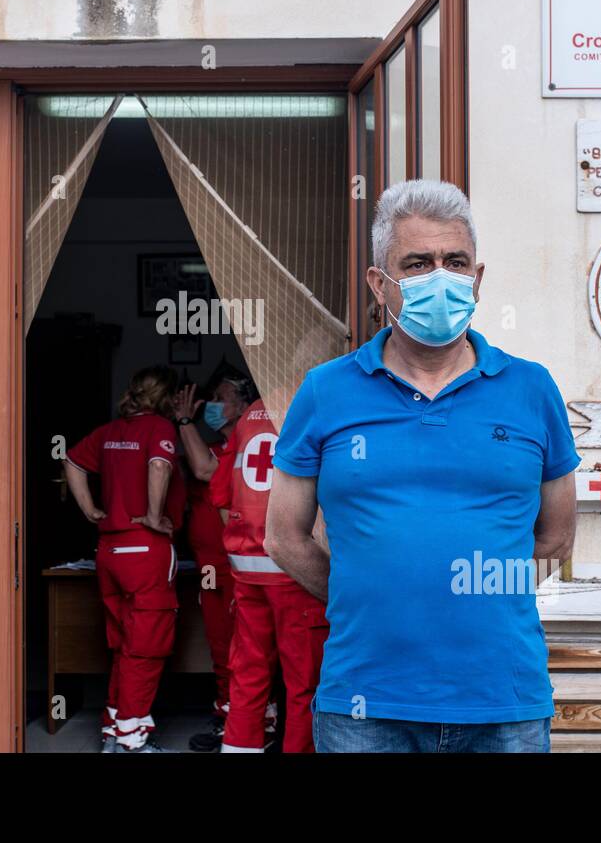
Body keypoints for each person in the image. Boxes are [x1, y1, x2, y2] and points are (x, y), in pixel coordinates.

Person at [266, 179, 579, 754]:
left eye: (454, 261)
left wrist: (473, 593)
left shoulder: (532, 389)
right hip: (365, 706)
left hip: (502, 702)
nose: (441, 276)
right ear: (379, 282)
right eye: (417, 263)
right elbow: (283, 536)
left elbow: (555, 539)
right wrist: (367, 593)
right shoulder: (326, 391)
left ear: (478, 278)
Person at [63, 365, 186, 753]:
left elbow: (71, 461)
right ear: (166, 397)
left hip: (109, 552)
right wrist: (152, 515)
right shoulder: (160, 429)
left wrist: (90, 510)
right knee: (146, 646)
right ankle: (132, 738)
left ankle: (114, 726)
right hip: (144, 549)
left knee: (123, 646)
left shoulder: (110, 432)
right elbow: (159, 465)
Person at [210, 393, 328, 753]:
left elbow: (219, 495)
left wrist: (244, 542)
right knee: (304, 684)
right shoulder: (312, 405)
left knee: (247, 674)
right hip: (296, 571)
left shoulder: (249, 416)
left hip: (248, 571)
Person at [171, 372, 255, 752]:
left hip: (238, 567)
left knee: (243, 649)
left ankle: (254, 721)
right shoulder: (215, 447)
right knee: (220, 646)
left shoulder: (245, 448)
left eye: (221, 398)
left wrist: (185, 421)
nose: (213, 406)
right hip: (209, 569)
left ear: (242, 405)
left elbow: (205, 470)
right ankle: (227, 715)